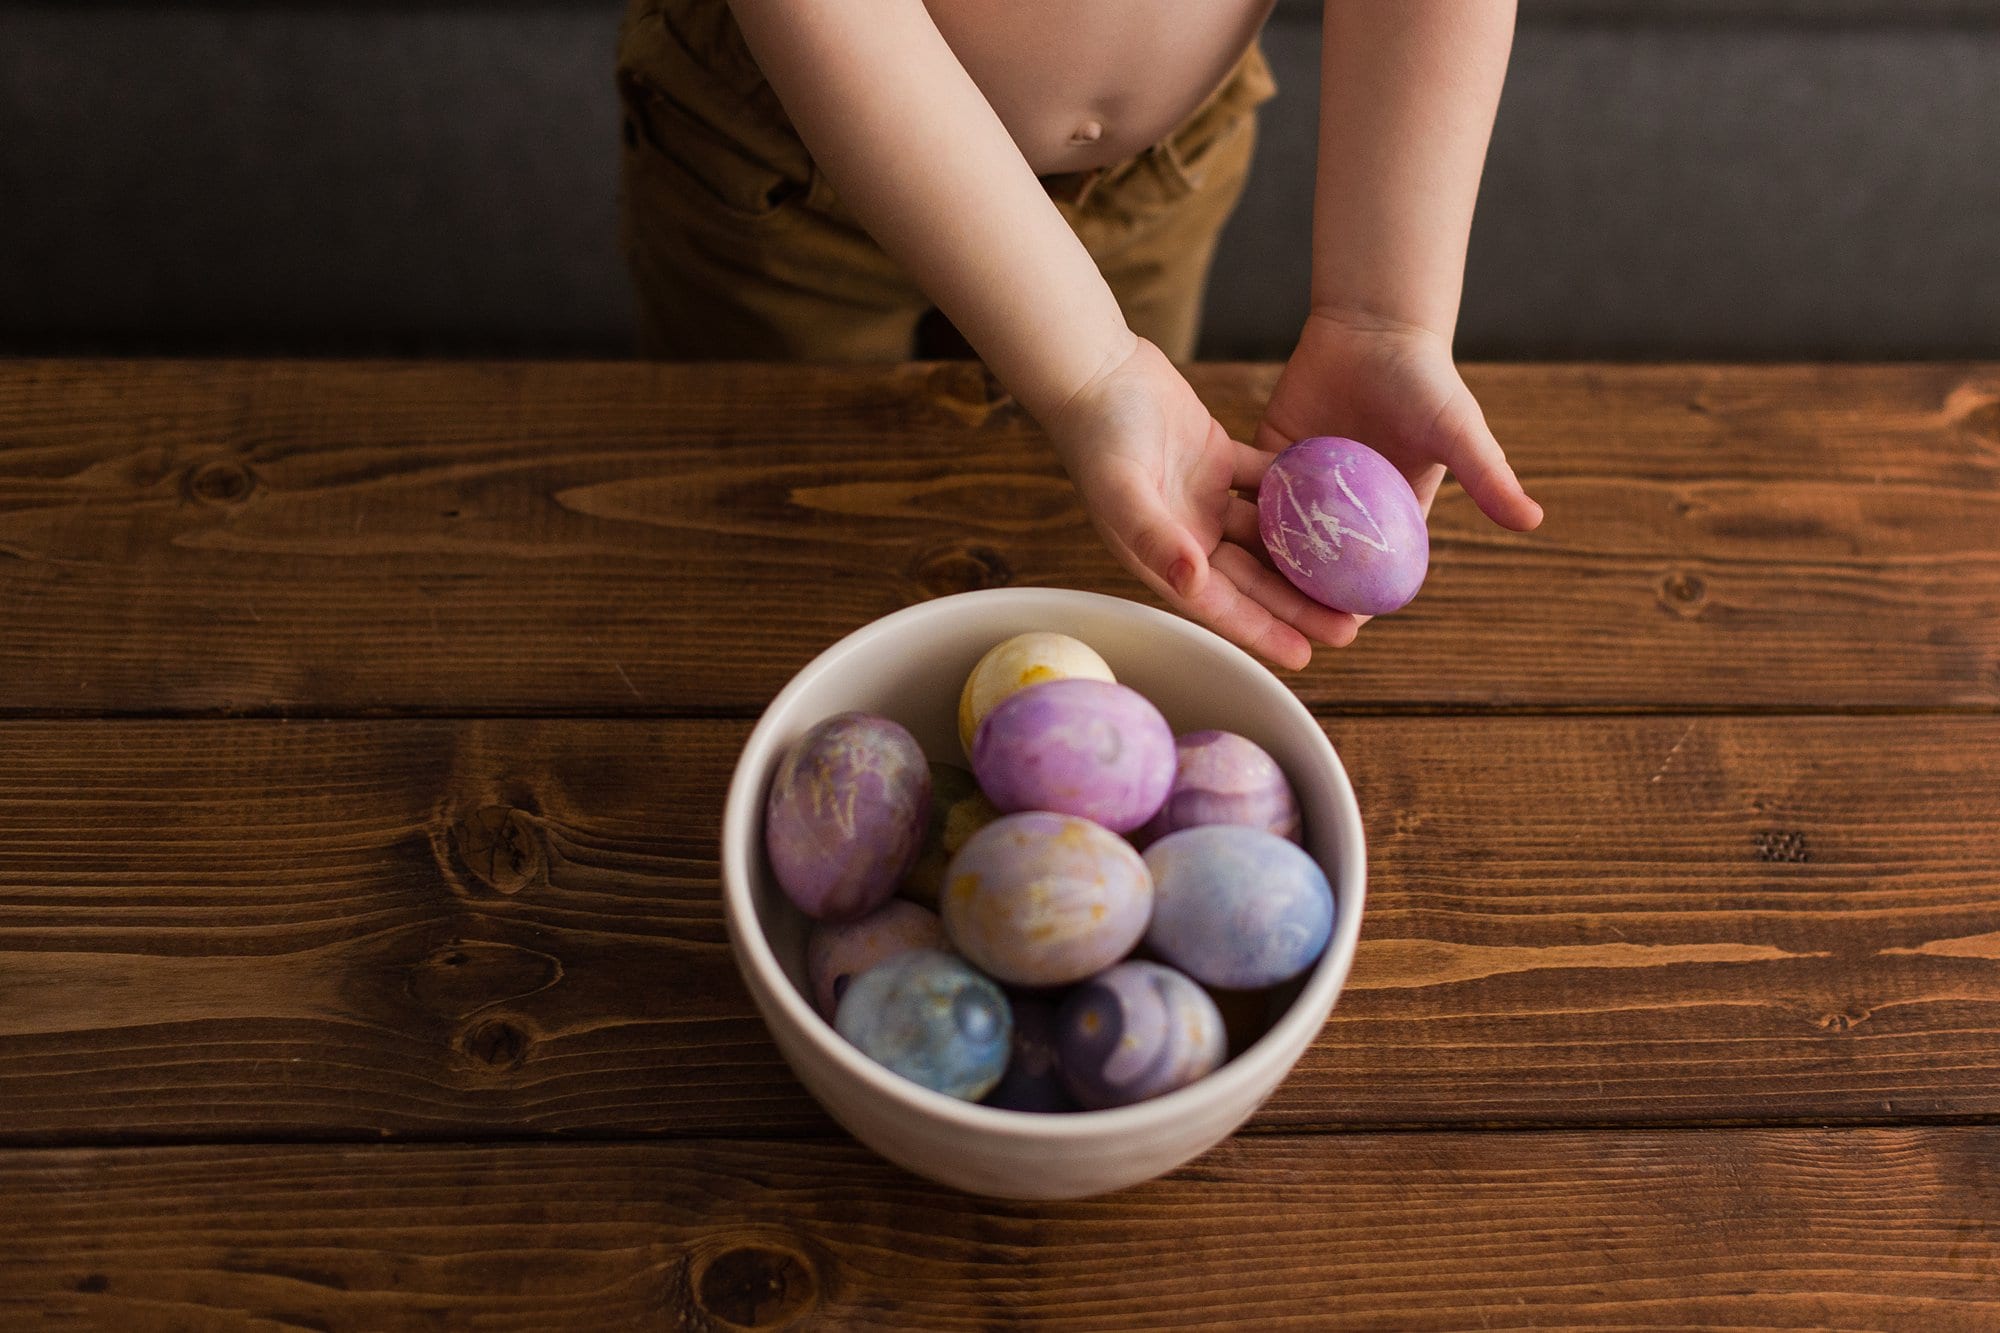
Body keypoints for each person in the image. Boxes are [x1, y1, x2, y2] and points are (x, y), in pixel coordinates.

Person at [616, 1, 1544, 670]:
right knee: (770, 514)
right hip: (785, 164)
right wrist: (1090, 371)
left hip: (1152, 181)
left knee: (1096, 519)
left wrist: (1384, 307)